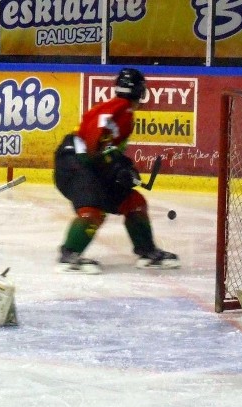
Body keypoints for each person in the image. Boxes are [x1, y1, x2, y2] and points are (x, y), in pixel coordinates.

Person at [53, 68, 179, 274]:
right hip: (76, 164)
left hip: (81, 163)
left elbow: (104, 149)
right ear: (141, 92)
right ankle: (69, 254)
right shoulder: (124, 113)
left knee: (134, 202)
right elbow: (95, 148)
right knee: (92, 210)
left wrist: (122, 168)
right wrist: (118, 167)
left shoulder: (113, 108)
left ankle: (147, 251)